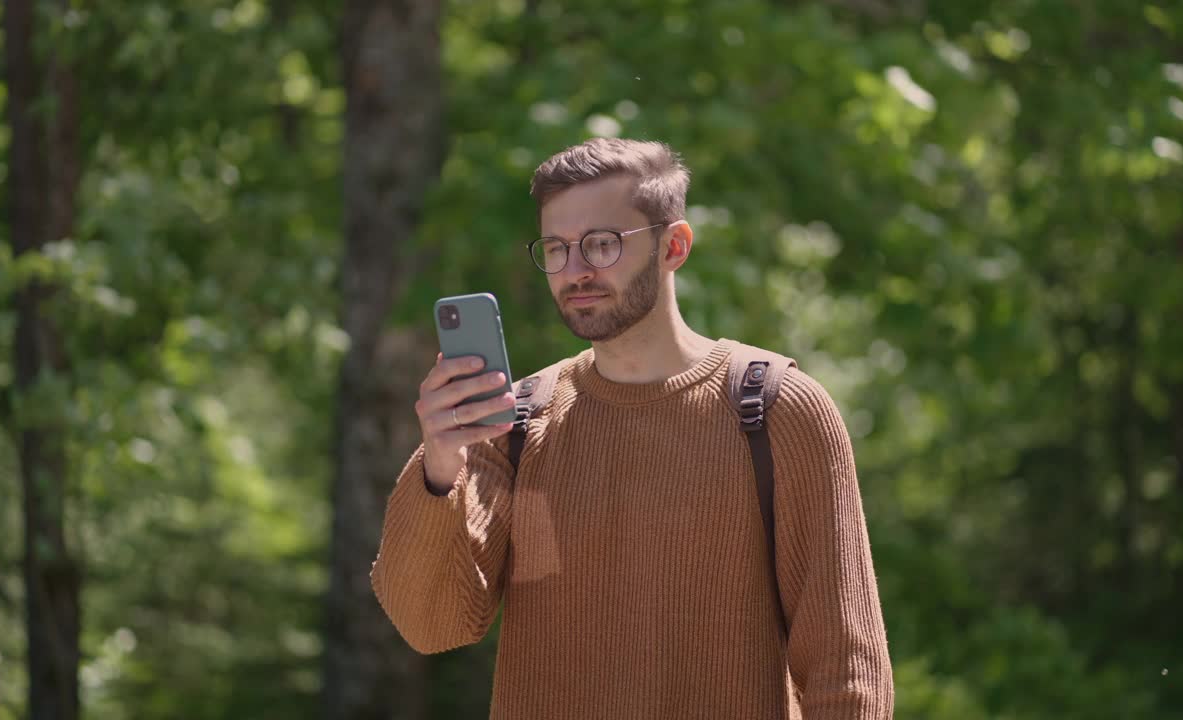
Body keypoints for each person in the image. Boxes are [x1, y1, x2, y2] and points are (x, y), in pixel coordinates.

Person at [370, 138, 894, 719]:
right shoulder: (521, 421)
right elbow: (433, 625)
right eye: (557, 248)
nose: (575, 271)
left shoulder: (775, 409)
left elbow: (846, 675)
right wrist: (440, 467)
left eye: (601, 244)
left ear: (674, 246)